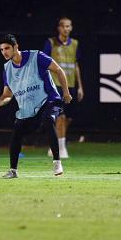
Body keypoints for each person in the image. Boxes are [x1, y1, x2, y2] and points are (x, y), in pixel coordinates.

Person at [0, 34, 72, 178]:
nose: (4, 52)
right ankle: (13, 171)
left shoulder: (37, 57)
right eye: (2, 49)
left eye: (7, 48)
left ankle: (57, 162)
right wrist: (0, 102)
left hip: (50, 100)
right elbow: (7, 95)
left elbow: (59, 70)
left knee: (48, 120)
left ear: (16, 47)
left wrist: (65, 92)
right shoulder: (7, 68)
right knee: (17, 131)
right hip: (28, 110)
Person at [43, 17, 84, 158]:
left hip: (71, 84)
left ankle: (54, 143)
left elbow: (76, 65)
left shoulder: (75, 44)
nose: (66, 29)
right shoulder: (50, 43)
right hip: (56, 84)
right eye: (64, 26)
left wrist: (80, 87)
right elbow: (44, 63)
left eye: (69, 26)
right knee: (60, 116)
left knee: (68, 118)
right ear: (59, 28)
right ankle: (61, 148)